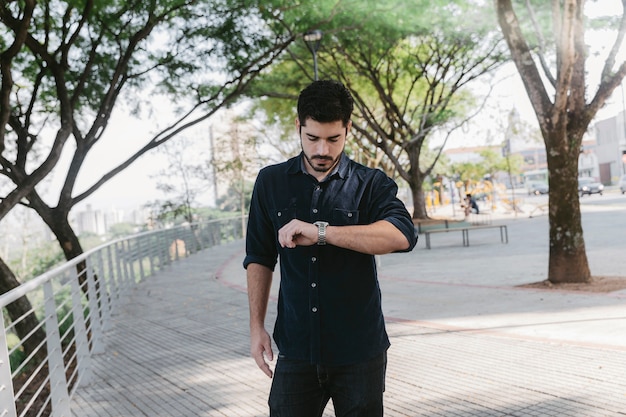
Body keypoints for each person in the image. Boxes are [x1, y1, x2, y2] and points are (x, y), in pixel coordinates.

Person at [243, 79, 418, 417]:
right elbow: (259, 258)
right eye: (313, 138)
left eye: (333, 139)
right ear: (298, 127)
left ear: (348, 129)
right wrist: (255, 328)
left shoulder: (371, 183)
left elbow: (401, 235)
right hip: (295, 350)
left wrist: (322, 232)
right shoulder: (270, 182)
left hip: (359, 352)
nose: (322, 150)